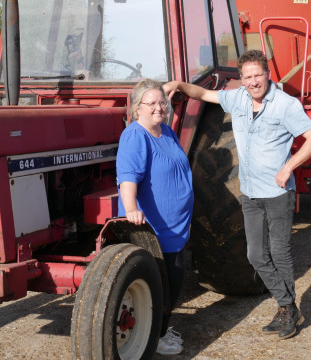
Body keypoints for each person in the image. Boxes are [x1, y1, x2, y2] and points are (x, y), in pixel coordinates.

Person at [163, 50, 311, 340]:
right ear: (242, 79)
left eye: (257, 75)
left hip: (276, 194)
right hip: (250, 194)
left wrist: (289, 167)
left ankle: (286, 309)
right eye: (247, 77)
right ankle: (288, 306)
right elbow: (202, 93)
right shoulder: (236, 98)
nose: (253, 82)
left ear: (268, 75)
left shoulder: (285, 105)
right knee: (255, 255)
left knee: (280, 253)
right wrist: (178, 84)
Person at [116, 79, 194, 355]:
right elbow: (128, 176)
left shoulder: (166, 132)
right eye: (152, 103)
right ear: (138, 108)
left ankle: (160, 329)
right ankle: (155, 336)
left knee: (172, 282)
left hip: (174, 228)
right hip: (153, 228)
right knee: (161, 286)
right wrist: (130, 209)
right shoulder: (136, 135)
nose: (160, 108)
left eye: (162, 102)